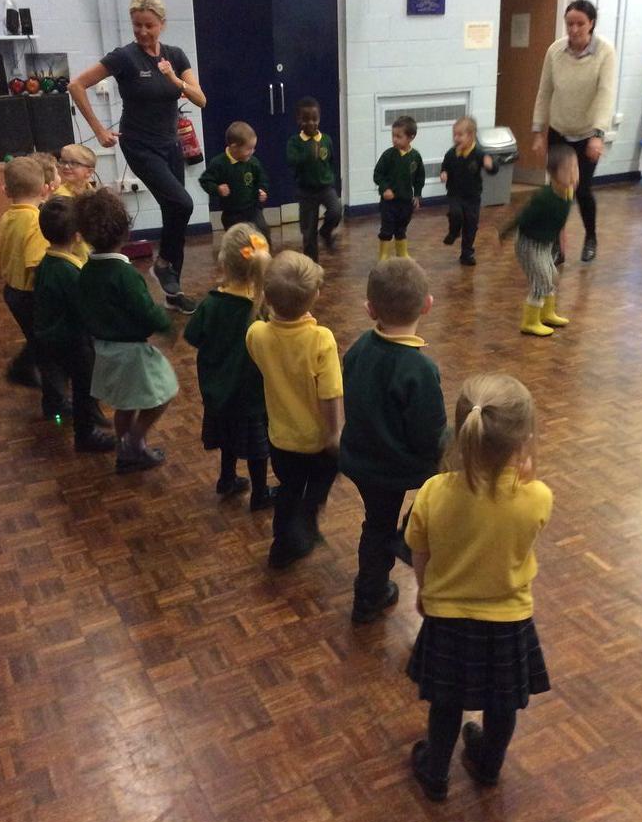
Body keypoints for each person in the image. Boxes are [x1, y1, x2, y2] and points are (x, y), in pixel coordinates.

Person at [406, 373, 552, 802]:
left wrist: (424, 591)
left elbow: (419, 551)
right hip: (509, 619)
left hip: (448, 618)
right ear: (523, 441)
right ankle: (489, 764)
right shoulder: (537, 496)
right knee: (502, 704)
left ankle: (436, 771)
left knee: (446, 702)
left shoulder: (433, 491)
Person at [68, 0, 206, 315]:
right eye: (137, 25)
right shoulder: (125, 57)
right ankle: (165, 264)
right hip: (139, 145)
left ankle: (173, 290)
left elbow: (200, 99)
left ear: (162, 24)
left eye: (149, 25)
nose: (143, 32)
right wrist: (99, 130)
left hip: (170, 144)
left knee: (174, 211)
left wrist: (173, 78)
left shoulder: (175, 55)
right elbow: (76, 85)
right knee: (183, 203)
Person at [340, 258, 447, 624]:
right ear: (427, 305)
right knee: (389, 521)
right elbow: (430, 435)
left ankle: (374, 586)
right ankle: (377, 582)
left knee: (376, 522)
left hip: (361, 458)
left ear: (370, 309)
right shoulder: (420, 369)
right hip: (395, 467)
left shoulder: (358, 348)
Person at [246, 250, 343, 569]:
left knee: (288, 489)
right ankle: (308, 515)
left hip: (280, 437)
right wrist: (334, 433)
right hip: (316, 439)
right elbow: (330, 394)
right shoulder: (321, 339)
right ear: (315, 295)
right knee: (325, 474)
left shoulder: (256, 334)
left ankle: (281, 545)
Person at [75, 188, 178, 473]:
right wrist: (165, 325)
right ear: (125, 232)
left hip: (104, 349)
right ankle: (135, 440)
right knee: (165, 391)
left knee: (125, 403)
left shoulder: (86, 271)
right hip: (131, 352)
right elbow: (145, 310)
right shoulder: (125, 274)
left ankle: (125, 451)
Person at [184, 224, 277, 509]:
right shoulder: (260, 309)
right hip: (251, 395)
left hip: (217, 391)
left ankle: (227, 478)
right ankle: (260, 494)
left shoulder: (211, 304)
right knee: (258, 447)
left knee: (227, 437)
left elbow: (192, 336)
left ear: (223, 263)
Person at [532, 0, 616, 264]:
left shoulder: (605, 52)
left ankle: (591, 237)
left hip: (587, 133)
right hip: (559, 129)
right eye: (569, 24)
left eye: (580, 23)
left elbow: (605, 94)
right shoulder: (555, 51)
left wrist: (598, 135)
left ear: (591, 24)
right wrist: (538, 130)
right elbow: (545, 91)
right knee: (558, 190)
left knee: (581, 189)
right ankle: (558, 245)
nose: (574, 29)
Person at [33, 198, 115, 453]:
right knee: (84, 388)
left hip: (52, 337)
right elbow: (86, 309)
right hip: (73, 342)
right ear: (78, 236)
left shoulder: (46, 263)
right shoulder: (68, 271)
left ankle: (67, 415)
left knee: (74, 384)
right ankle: (85, 435)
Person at [0, 156, 67, 415]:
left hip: (12, 291)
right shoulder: (36, 222)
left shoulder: (7, 217)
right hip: (31, 295)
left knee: (38, 342)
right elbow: (37, 267)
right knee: (49, 350)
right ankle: (55, 404)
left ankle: (24, 369)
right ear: (45, 189)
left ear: (5, 190)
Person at [499, 144, 578, 337]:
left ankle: (547, 313)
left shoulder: (568, 192)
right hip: (529, 245)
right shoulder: (544, 198)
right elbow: (523, 217)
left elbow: (559, 220)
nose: (574, 174)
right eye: (568, 170)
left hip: (545, 245)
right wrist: (505, 233)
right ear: (553, 174)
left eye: (576, 168)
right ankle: (530, 322)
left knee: (552, 276)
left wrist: (561, 239)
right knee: (541, 280)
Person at [286, 97, 341, 261]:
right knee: (308, 232)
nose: (310, 123)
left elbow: (331, 161)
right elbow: (291, 161)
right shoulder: (295, 142)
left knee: (336, 210)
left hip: (325, 188)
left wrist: (331, 179)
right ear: (299, 120)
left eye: (314, 119)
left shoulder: (326, 140)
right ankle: (312, 265)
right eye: (306, 119)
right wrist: (309, 154)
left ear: (319, 119)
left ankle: (325, 232)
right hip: (306, 191)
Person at [440, 115, 497, 266]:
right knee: (455, 213)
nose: (456, 138)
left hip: (472, 197)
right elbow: (445, 166)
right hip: (455, 194)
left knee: (471, 225)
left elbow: (493, 169)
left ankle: (466, 253)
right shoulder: (451, 154)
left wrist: (490, 165)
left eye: (460, 135)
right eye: (454, 135)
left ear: (471, 136)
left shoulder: (479, 154)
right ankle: (453, 232)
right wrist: (444, 173)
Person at [199, 121, 271, 238]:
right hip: (231, 213)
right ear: (234, 147)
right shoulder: (219, 163)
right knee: (238, 240)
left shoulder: (253, 162)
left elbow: (262, 179)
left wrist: (263, 190)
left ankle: (265, 251)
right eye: (248, 149)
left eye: (253, 148)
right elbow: (205, 180)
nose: (252, 152)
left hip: (252, 210)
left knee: (263, 233)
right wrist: (217, 189)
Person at [374, 115, 425, 260]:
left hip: (406, 201)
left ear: (411, 137)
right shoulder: (388, 155)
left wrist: (417, 195)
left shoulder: (415, 157)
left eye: (399, 136)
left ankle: (402, 253)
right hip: (389, 203)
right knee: (387, 228)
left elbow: (419, 178)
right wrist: (385, 188)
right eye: (393, 136)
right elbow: (377, 174)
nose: (395, 139)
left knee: (401, 228)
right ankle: (383, 255)